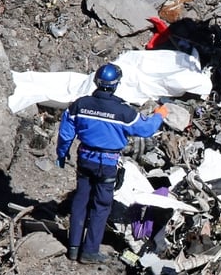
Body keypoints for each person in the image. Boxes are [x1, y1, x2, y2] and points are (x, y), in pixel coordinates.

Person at [56, 63, 169, 264]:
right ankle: (90, 252)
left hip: (85, 159)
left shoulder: (80, 105)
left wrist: (62, 154)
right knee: (101, 205)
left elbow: (66, 133)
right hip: (107, 162)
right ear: (115, 85)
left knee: (81, 201)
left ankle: (73, 248)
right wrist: (160, 114)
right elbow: (146, 129)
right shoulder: (123, 111)